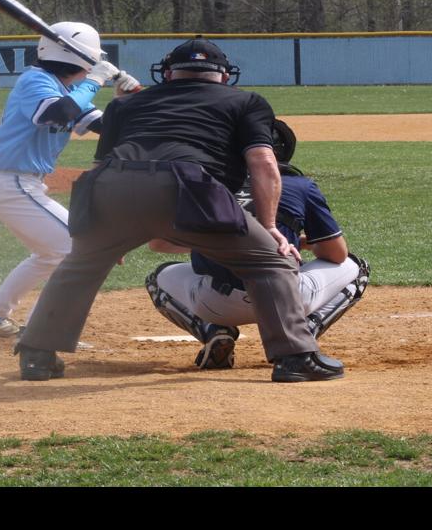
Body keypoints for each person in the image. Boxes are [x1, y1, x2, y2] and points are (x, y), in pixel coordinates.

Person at [12, 38, 344, 383]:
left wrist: (98, 234)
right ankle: (296, 358)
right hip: (189, 188)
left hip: (113, 186)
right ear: (224, 75)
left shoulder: (124, 106)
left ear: (168, 73)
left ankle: (37, 354)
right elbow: (262, 162)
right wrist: (271, 225)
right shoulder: (246, 101)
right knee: (268, 261)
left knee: (80, 265)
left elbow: (98, 168)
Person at [143, 120, 367, 369]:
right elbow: (336, 254)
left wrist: (214, 243)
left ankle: (213, 330)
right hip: (288, 301)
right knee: (357, 267)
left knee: (157, 278)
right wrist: (301, 242)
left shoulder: (205, 186)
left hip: (217, 303)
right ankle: (301, 334)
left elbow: (158, 243)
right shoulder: (300, 186)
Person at [0, 22, 140, 340]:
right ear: (81, 58)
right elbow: (57, 114)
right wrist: (96, 79)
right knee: (76, 249)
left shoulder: (67, 91)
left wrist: (124, 100)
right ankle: (40, 332)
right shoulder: (36, 80)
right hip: (10, 182)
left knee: (50, 254)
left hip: (19, 184)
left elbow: (109, 128)